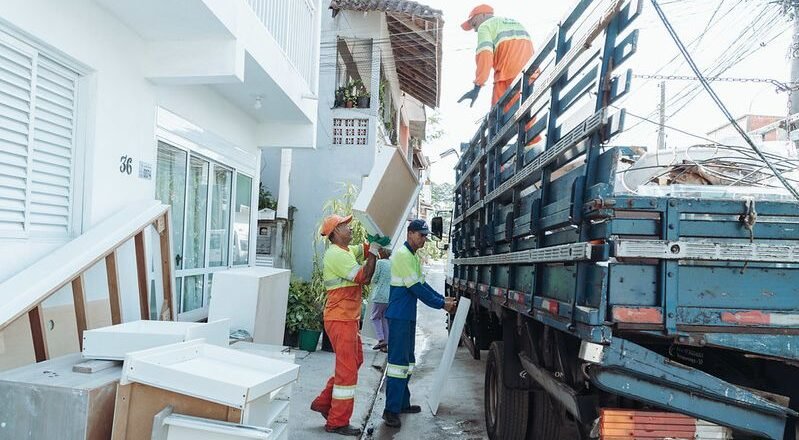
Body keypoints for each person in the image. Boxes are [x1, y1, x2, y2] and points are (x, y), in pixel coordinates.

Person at [310, 214, 383, 436]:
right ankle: (337, 421)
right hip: (340, 319)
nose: (350, 229)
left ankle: (324, 403)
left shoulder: (346, 251)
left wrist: (376, 243)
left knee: (355, 361)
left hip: (346, 318)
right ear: (335, 232)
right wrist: (374, 252)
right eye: (345, 226)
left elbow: (366, 248)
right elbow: (364, 276)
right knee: (347, 371)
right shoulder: (336, 255)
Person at [382, 219, 457, 429]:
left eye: (425, 236)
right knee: (398, 364)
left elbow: (423, 285)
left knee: (406, 363)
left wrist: (444, 299)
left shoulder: (412, 256)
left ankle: (401, 403)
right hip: (399, 316)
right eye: (421, 235)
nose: (424, 239)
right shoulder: (404, 256)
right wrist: (442, 304)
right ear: (410, 233)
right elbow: (417, 288)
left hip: (406, 316)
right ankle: (390, 411)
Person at [457, 4, 534, 108]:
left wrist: (477, 87)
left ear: (483, 15)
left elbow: (484, 56)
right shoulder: (516, 23)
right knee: (527, 118)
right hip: (531, 74)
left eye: (474, 24)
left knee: (498, 118)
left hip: (507, 78)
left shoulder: (485, 26)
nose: (475, 30)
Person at [369, 249, 392, 352]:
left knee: (374, 317)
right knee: (384, 319)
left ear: (382, 253)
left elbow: (375, 278)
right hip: (389, 296)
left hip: (380, 295)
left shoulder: (380, 262)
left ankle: (381, 339)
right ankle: (384, 346)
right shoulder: (392, 263)